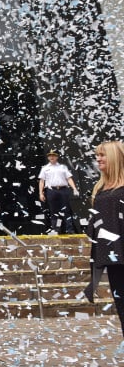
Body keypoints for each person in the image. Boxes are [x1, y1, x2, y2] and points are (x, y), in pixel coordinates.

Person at [85, 141, 124, 336]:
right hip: (112, 258)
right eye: (97, 155)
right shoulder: (100, 189)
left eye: (103, 155)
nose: (98, 158)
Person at [38, 149, 79, 234]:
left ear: (57, 156)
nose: (51, 157)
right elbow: (42, 181)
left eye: (53, 155)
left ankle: (69, 230)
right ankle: (56, 230)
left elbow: (69, 178)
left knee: (66, 210)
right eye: (50, 155)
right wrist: (41, 193)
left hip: (63, 189)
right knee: (54, 211)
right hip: (51, 190)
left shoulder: (62, 167)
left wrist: (74, 188)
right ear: (48, 157)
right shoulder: (45, 168)